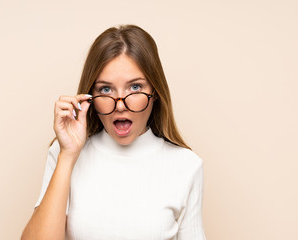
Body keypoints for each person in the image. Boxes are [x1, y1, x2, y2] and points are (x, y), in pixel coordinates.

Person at [21, 25, 206, 240]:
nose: (119, 105)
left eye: (135, 87)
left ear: (154, 92)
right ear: (89, 96)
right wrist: (68, 155)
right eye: (106, 89)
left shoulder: (186, 165)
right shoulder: (64, 153)